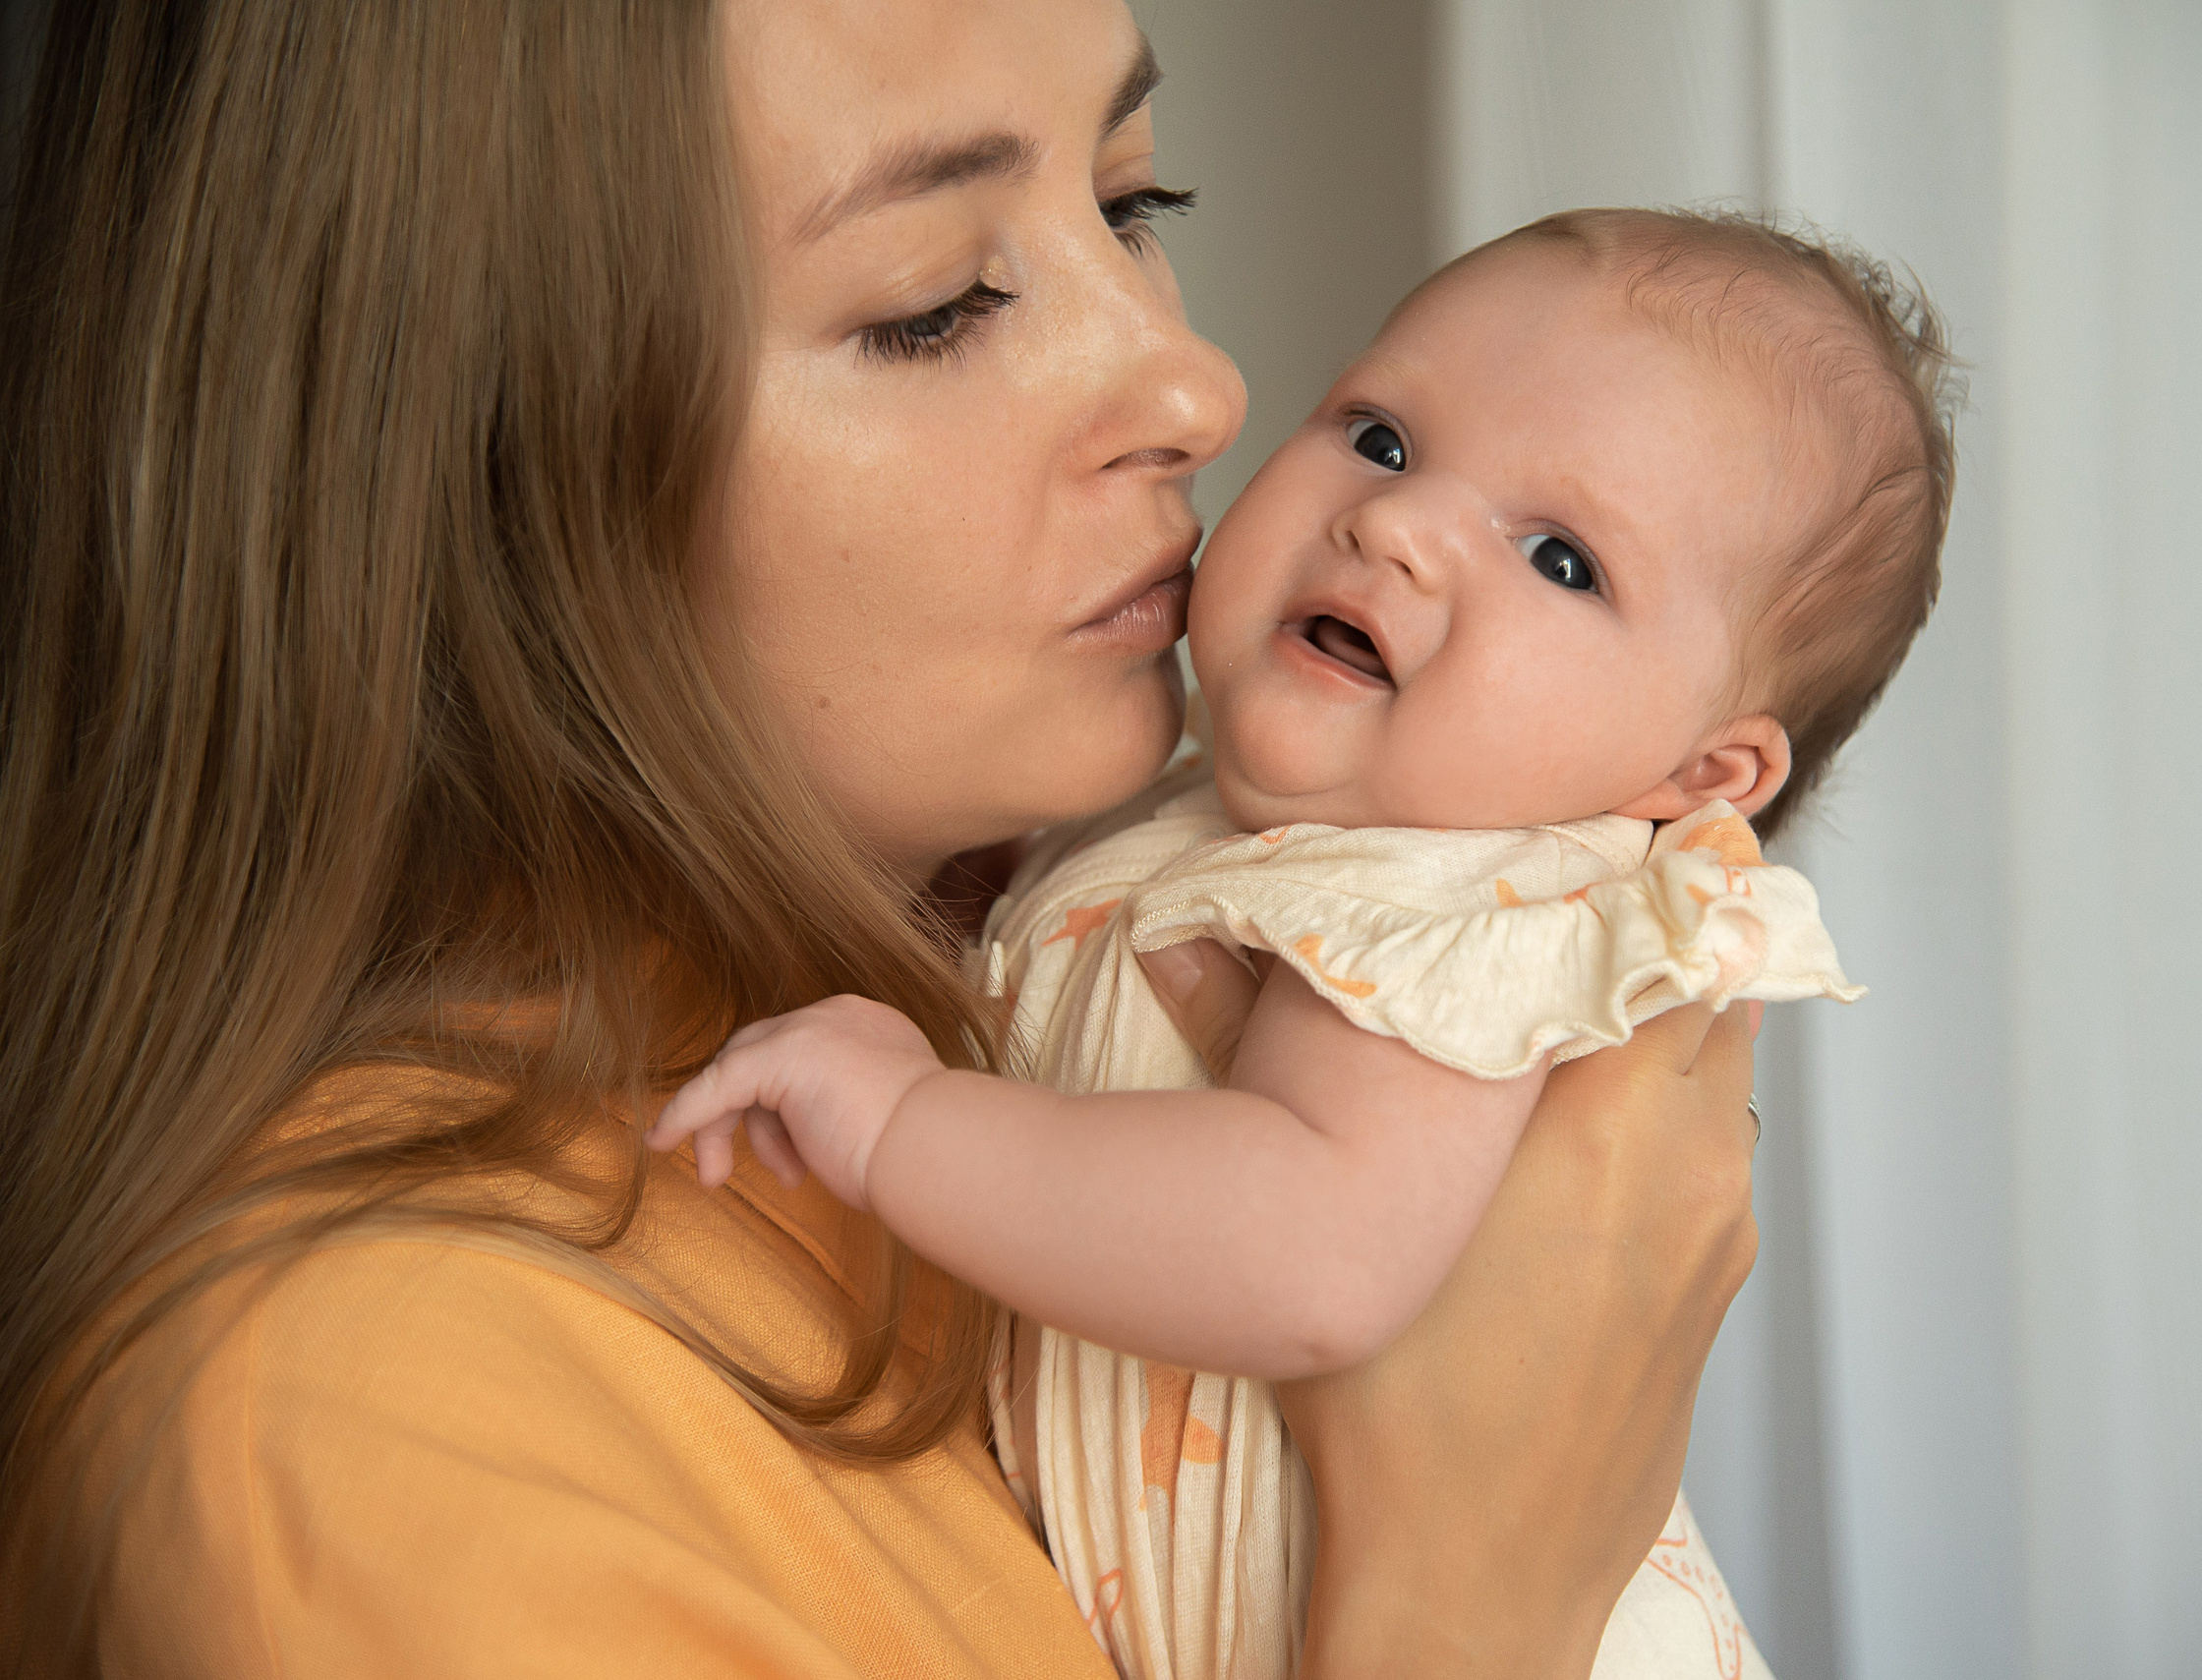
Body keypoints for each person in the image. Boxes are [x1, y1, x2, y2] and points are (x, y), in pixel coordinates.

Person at [0, 3, 1763, 1675]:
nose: (1201, 387)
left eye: (1133, 204)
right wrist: (1460, 1603)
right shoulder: (360, 1436)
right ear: (467, 457)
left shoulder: (1057, 986)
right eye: (939, 302)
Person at [645, 207, 1949, 1680]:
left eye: (1560, 559)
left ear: (1699, 775)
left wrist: (899, 1125)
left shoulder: (1458, 902)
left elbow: (1314, 1250)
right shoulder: (1212, 824)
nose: (1396, 525)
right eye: (1383, 440)